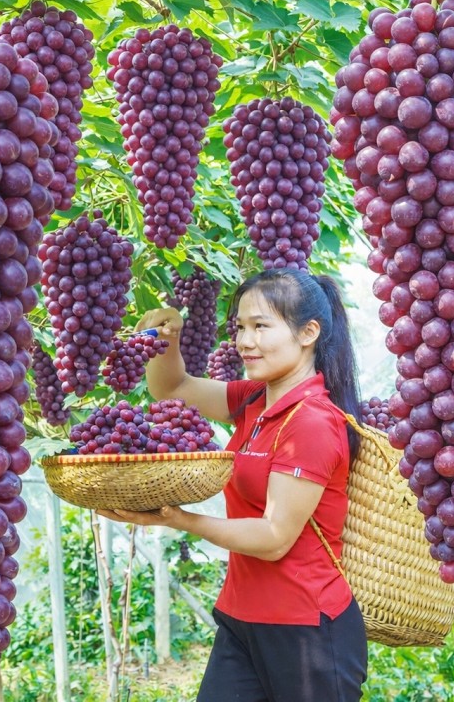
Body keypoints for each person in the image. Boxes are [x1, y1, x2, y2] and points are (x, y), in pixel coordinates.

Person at [96, 268, 368, 702]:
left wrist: (178, 519)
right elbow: (173, 387)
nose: (244, 341)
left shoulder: (313, 422)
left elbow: (274, 536)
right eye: (240, 327)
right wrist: (167, 336)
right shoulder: (253, 400)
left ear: (308, 333)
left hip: (306, 631)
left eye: (261, 326)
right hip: (242, 618)